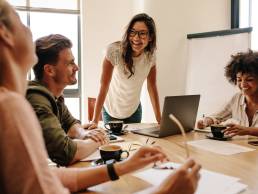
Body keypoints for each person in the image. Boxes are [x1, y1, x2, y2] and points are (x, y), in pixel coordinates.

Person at [0, 1, 201, 193]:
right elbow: (63, 157)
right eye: (19, 21)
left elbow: (46, 177)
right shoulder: (13, 106)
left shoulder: (41, 98)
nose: (77, 67)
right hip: (111, 112)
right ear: (5, 34)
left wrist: (123, 167)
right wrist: (164, 191)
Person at [26, 34, 108, 166]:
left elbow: (70, 124)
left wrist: (84, 134)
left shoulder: (54, 96)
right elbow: (65, 153)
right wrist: (98, 141)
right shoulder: (37, 99)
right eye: (70, 63)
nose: (77, 67)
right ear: (49, 70)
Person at [89, 13, 161, 128]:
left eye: (142, 33)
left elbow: (152, 86)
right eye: (132, 32)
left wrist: (160, 120)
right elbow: (104, 86)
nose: (136, 38)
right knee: (115, 144)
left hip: (134, 111)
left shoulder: (150, 57)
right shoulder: (114, 51)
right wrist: (95, 121)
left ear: (150, 37)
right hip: (112, 111)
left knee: (134, 145)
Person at [197, 50, 258, 137]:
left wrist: (248, 130)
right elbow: (217, 117)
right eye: (239, 79)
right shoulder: (237, 98)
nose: (243, 84)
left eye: (249, 79)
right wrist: (205, 122)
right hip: (244, 148)